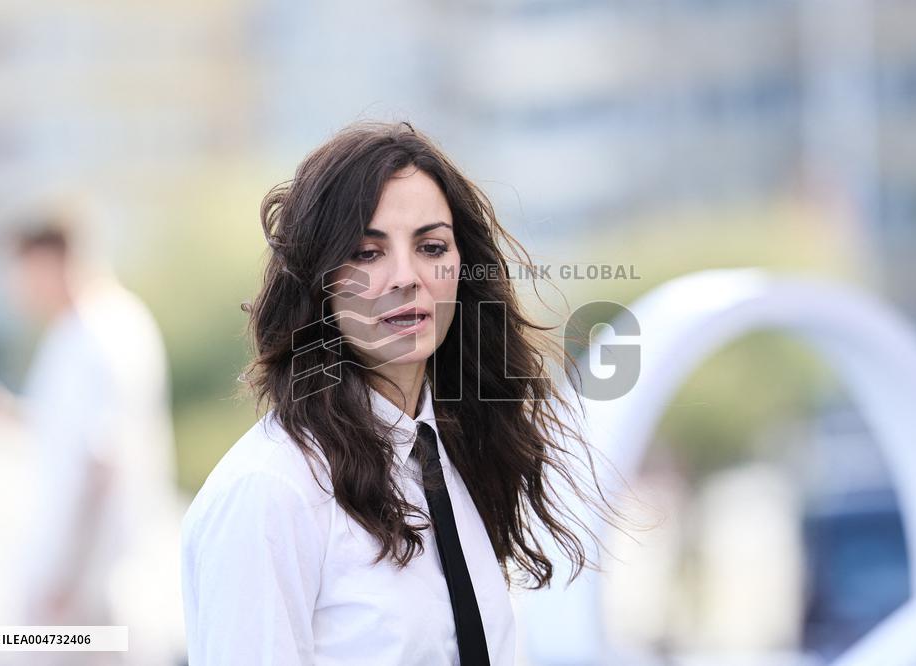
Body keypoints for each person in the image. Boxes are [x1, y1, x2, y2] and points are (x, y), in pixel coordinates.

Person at [180, 120, 633, 665]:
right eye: (367, 253)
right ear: (319, 280)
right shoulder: (271, 490)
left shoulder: (453, 459)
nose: (406, 276)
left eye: (431, 245)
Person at [0, 204, 181, 665]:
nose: (20, 289)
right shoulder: (94, 328)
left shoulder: (96, 334)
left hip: (92, 588)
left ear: (52, 261)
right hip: (94, 581)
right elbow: (70, 433)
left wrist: (60, 576)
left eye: (25, 271)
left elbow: (99, 462)